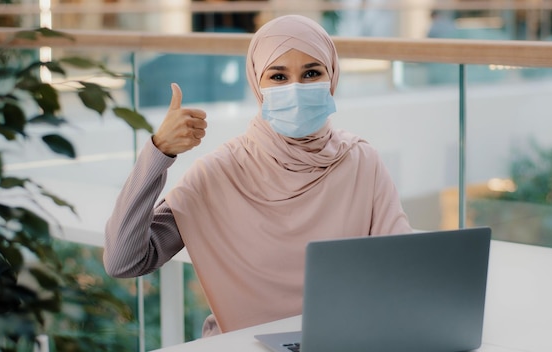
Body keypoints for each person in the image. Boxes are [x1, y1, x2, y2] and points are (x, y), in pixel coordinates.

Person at [103, 14, 413, 337]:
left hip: (341, 341)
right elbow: (123, 261)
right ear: (257, 84)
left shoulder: (362, 162)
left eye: (311, 73)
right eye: (278, 77)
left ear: (331, 77)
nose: (296, 88)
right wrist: (157, 153)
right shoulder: (219, 173)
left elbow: (406, 268)